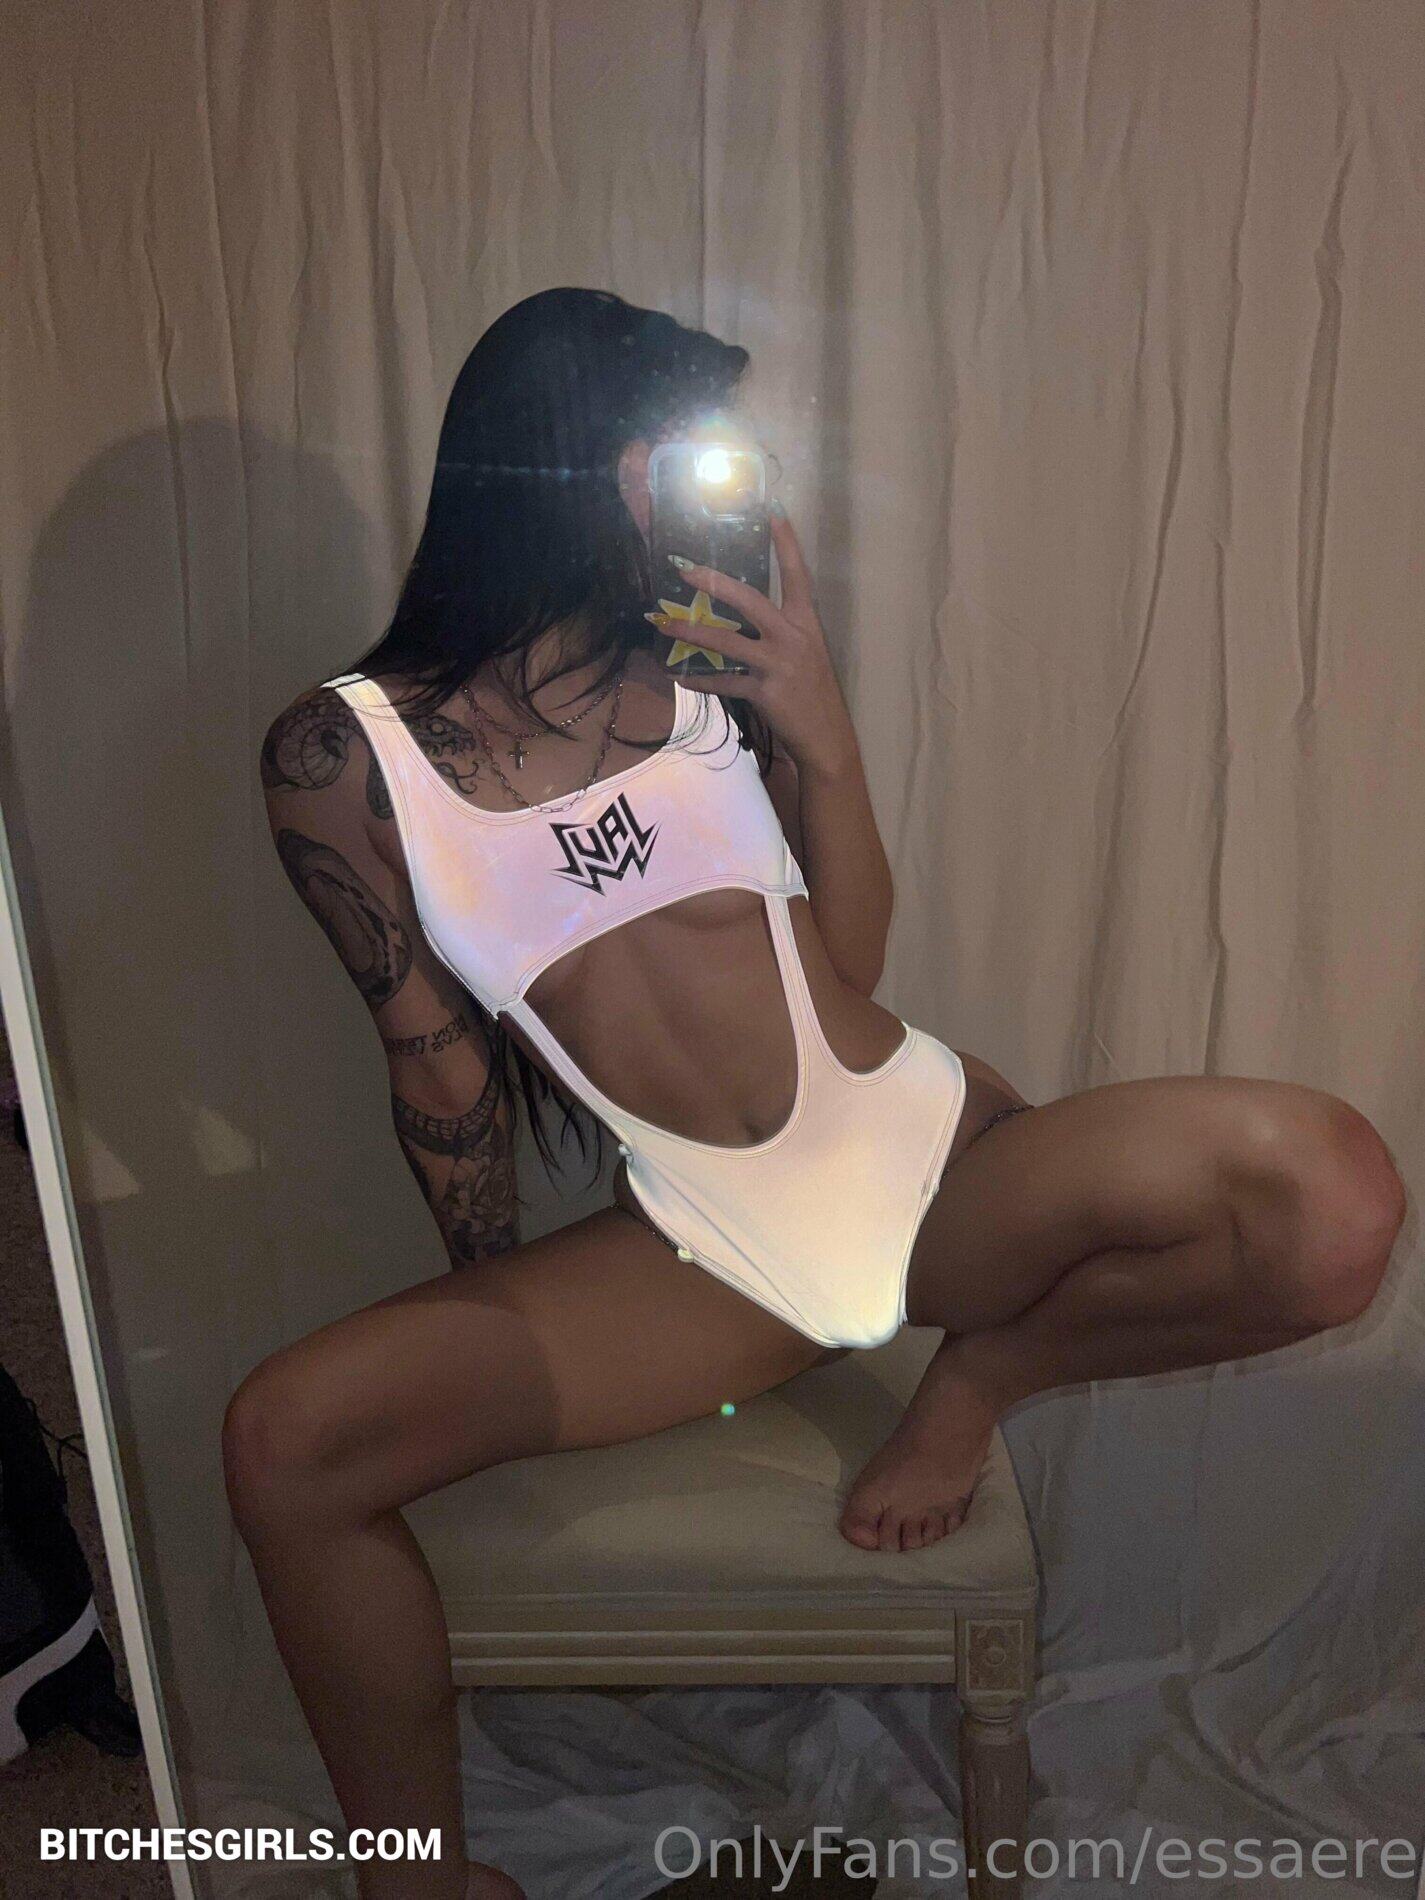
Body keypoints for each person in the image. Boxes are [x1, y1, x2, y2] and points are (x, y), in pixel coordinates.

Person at [232, 288, 1407, 1900]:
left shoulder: (708, 673)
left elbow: (840, 964)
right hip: (711, 1253)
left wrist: (819, 733)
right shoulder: (342, 752)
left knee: (1332, 1201)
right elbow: (432, 1059)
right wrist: (489, 1317)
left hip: (932, 1163)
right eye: (676, 455)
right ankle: (416, 1878)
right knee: (284, 1442)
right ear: (573, 463)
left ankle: (978, 1383)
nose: (715, 491)